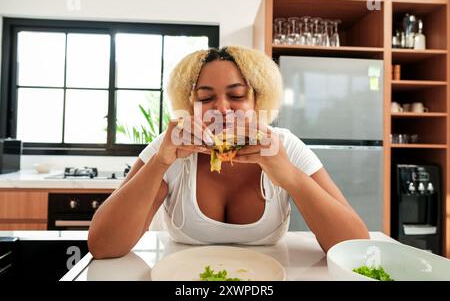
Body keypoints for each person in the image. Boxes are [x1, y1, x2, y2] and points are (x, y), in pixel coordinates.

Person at [88, 46, 369, 259]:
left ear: (258, 99)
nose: (222, 109)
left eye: (236, 96)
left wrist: (291, 177)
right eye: (206, 97)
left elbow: (355, 248)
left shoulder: (285, 146)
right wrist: (160, 163)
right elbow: (103, 247)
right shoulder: (171, 147)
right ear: (191, 105)